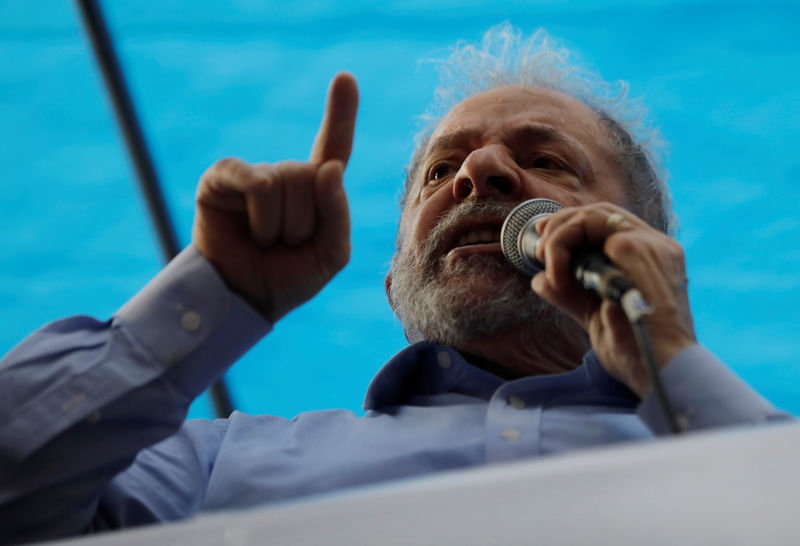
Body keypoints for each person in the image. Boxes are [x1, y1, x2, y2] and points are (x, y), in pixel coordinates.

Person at [0, 25, 790, 543]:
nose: (479, 174)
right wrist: (213, 292)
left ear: (648, 245)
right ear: (394, 283)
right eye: (441, 171)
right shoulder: (213, 461)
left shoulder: (752, 448)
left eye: (545, 159)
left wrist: (673, 357)